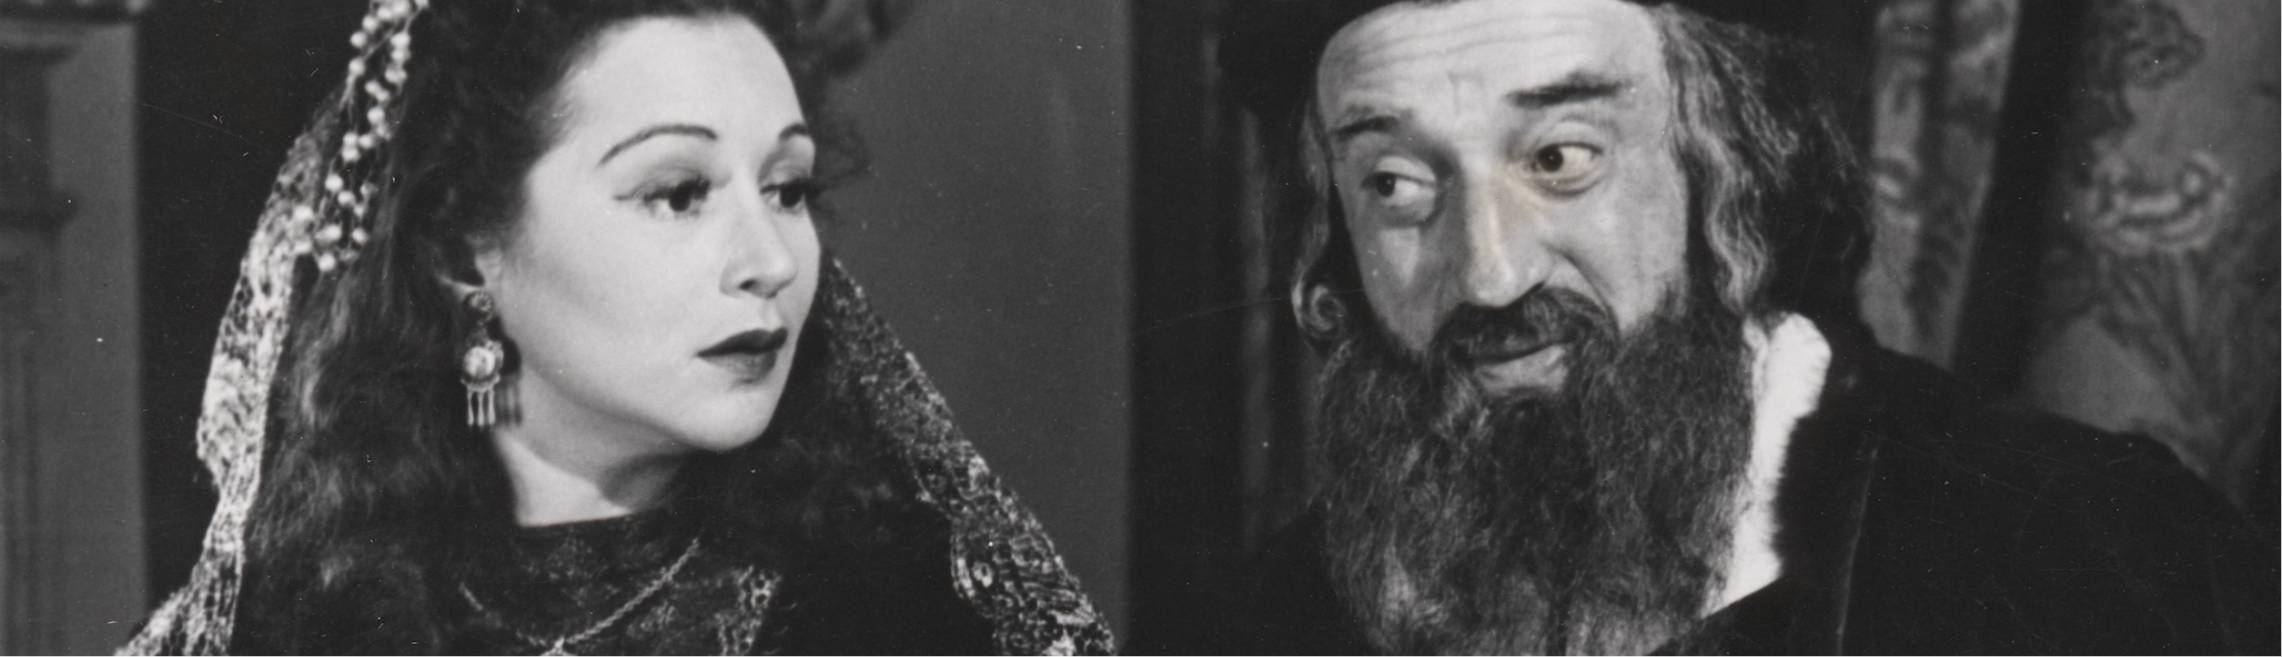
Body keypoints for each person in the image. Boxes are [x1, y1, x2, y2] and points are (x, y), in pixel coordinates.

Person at [1219, 0, 2279, 653]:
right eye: (1395, 185)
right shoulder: (1275, 615)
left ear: (1726, 169)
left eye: (1559, 159)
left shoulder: (2103, 559)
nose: (1489, 274)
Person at [122, 0, 1112, 654]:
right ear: (463, 250)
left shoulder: (898, 616)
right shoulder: (289, 623)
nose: (770, 260)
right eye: (677, 192)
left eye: (788, 187)